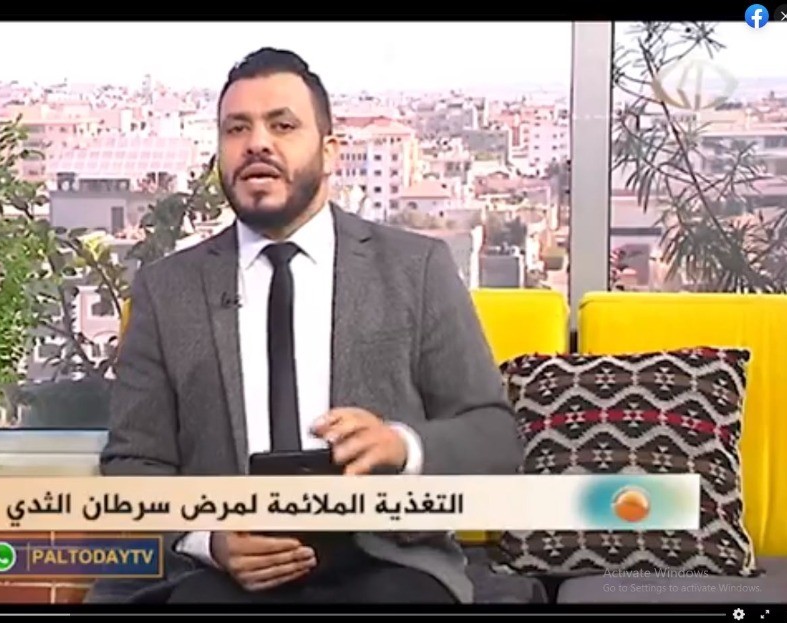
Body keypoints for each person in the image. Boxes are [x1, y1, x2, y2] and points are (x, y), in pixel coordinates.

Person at [100, 48, 522, 604]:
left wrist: (401, 445)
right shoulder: (166, 290)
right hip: (221, 577)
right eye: (236, 129)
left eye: (282, 125)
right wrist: (209, 539)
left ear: (329, 152)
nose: (257, 143)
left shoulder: (416, 268)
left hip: (385, 564)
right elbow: (133, 462)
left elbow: (493, 435)